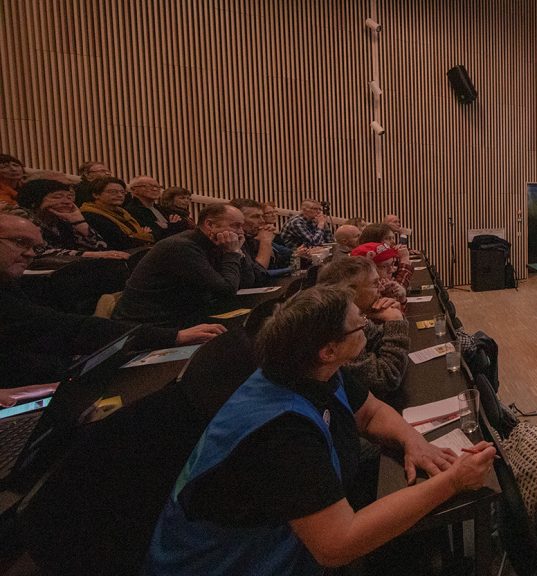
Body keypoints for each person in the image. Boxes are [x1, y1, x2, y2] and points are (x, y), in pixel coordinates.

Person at [144, 286, 495, 574]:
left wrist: (412, 439)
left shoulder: (309, 368)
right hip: (233, 563)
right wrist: (453, 482)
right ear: (329, 350)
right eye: (359, 325)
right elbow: (337, 546)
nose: (367, 325)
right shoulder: (282, 432)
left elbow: (371, 413)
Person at [0, 213, 224, 387]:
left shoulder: (9, 284)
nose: (30, 253)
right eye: (20, 242)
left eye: (35, 247)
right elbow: (64, 328)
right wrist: (174, 336)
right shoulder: (180, 246)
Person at [113, 204, 259, 328]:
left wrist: (238, 251)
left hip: (184, 316)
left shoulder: (217, 244)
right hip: (151, 327)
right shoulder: (181, 247)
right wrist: (232, 253)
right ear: (210, 225)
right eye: (236, 226)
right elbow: (226, 290)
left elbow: (247, 282)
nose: (241, 232)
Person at [317, 256, 409, 398]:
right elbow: (386, 378)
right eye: (375, 284)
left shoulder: (352, 316)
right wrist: (395, 320)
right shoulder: (338, 331)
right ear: (350, 292)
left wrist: (394, 320)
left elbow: (380, 341)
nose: (381, 288)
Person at [13, 178, 128, 260]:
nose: (67, 202)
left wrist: (79, 222)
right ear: (34, 200)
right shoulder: (20, 218)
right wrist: (88, 255)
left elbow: (101, 248)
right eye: (57, 197)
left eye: (69, 197)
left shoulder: (63, 219)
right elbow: (37, 252)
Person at [80, 177, 155, 250]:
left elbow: (154, 233)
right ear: (96, 194)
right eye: (113, 192)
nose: (120, 195)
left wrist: (135, 237)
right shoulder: (91, 215)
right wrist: (143, 236)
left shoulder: (123, 213)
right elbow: (121, 242)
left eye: (122, 192)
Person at [230, 198, 291, 271]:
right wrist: (265, 242)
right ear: (238, 219)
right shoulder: (231, 240)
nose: (262, 221)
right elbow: (257, 273)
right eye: (255, 217)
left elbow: (278, 263)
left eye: (262, 216)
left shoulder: (251, 237)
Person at [125, 176, 190, 239]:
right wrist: (172, 225)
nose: (155, 189)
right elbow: (155, 235)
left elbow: (184, 225)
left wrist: (167, 226)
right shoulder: (130, 211)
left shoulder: (162, 209)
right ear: (134, 189)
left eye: (158, 187)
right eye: (148, 186)